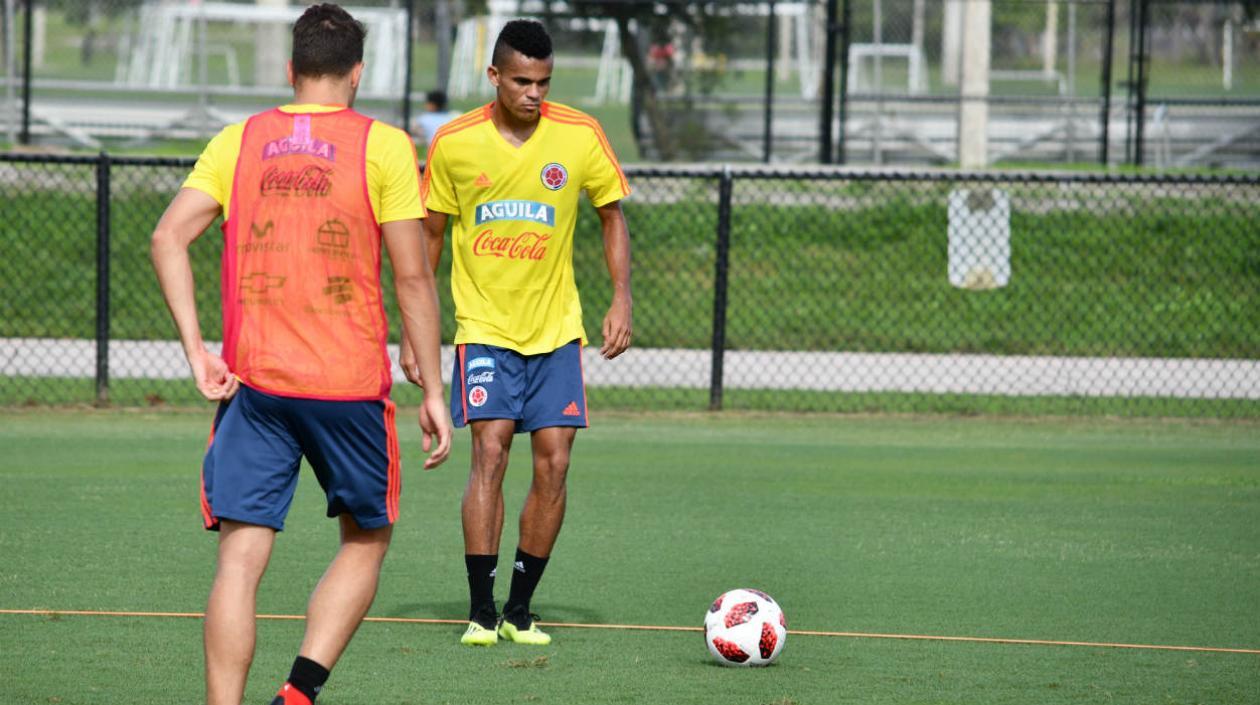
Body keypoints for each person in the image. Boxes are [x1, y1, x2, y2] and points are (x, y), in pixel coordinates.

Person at [149, 4, 451, 704]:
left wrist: (198, 351)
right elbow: (412, 274)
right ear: (357, 73)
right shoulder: (383, 146)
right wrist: (433, 385)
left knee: (240, 557)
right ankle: (297, 693)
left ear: (291, 70)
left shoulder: (240, 139)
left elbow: (167, 238)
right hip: (346, 386)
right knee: (366, 539)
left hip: (253, 384)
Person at [403, 18, 632, 647]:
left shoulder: (580, 135)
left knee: (555, 464)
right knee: (491, 451)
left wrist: (620, 296)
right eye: (523, 81)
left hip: (557, 329)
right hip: (484, 325)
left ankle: (521, 610)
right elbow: (427, 239)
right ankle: (482, 610)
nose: (534, 93)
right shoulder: (454, 142)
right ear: (495, 76)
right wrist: (414, 331)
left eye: (544, 82)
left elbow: (612, 216)